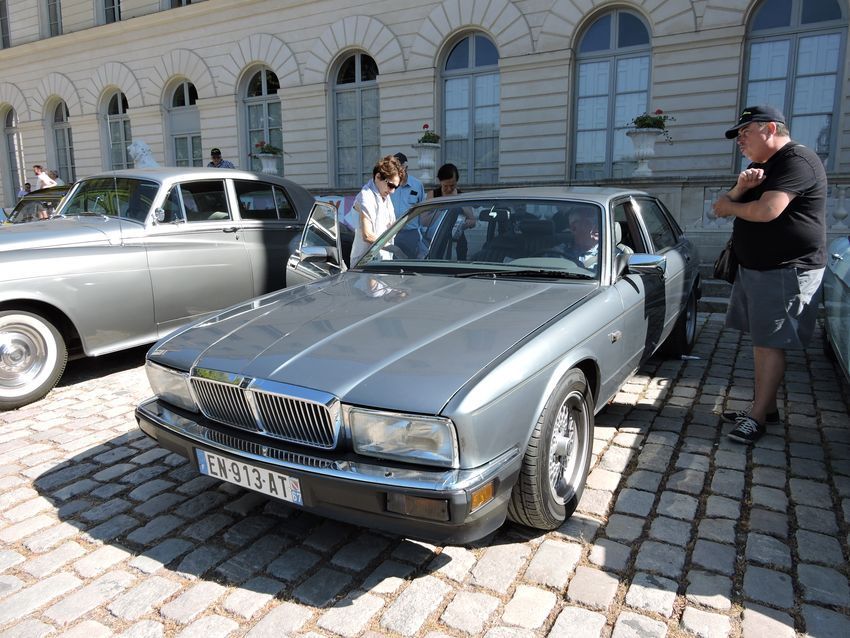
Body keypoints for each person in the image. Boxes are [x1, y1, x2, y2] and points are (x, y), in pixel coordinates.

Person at [712, 105, 827, 445]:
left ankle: (758, 417)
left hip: (786, 270)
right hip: (759, 269)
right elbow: (721, 207)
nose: (740, 141)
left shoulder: (797, 161)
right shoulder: (758, 168)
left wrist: (734, 203)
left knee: (769, 343)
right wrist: (738, 190)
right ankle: (766, 408)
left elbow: (766, 211)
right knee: (763, 342)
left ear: (771, 129)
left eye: (746, 133)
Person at [349, 155, 403, 264]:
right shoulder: (366, 196)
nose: (393, 191)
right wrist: (393, 248)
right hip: (365, 263)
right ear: (378, 177)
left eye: (396, 187)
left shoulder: (385, 196)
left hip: (382, 261)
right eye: (391, 185)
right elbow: (367, 235)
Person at [426, 163, 475, 259]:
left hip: (458, 242)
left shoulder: (462, 197)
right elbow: (424, 221)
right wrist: (441, 208)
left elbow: (473, 221)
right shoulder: (433, 195)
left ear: (457, 182)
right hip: (436, 240)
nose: (449, 189)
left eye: (452, 185)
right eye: (445, 186)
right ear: (440, 182)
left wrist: (462, 224)